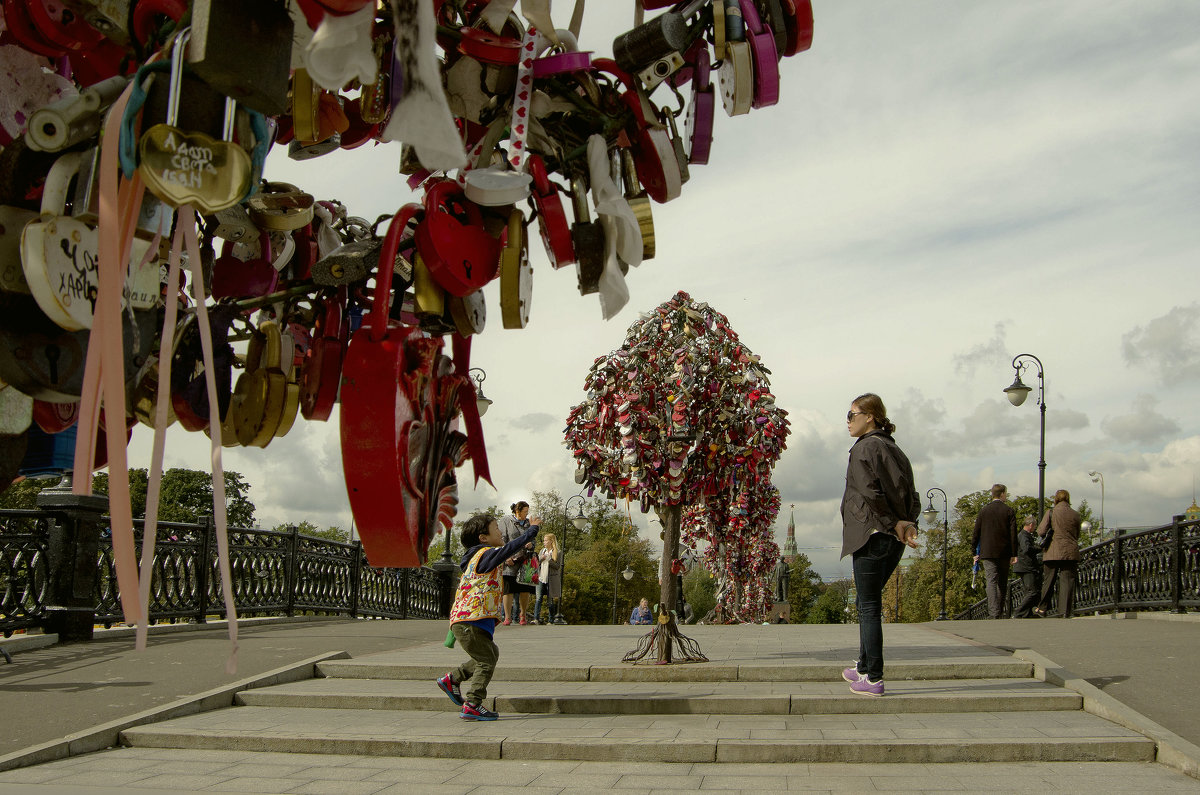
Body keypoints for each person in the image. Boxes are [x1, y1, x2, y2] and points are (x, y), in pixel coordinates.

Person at [839, 393, 920, 697]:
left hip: (872, 534)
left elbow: (870, 492)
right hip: (893, 539)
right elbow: (912, 493)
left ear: (869, 416)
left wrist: (891, 523)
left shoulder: (864, 448)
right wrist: (907, 523)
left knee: (869, 606)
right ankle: (862, 666)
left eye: (852, 415)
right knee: (865, 602)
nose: (848, 421)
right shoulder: (894, 449)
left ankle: (873, 677)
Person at [437, 512, 539, 720]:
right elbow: (509, 549)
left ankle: (453, 679)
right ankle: (473, 703)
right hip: (471, 621)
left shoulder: (475, 558)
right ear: (483, 537)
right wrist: (531, 531)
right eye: (496, 529)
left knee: (489, 654)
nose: (501, 532)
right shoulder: (485, 554)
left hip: (470, 620)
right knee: (485, 660)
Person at [972, 484, 1018, 619]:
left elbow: (976, 532)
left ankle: (993, 612)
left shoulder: (984, 511)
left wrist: (973, 550)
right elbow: (1013, 534)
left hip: (987, 552)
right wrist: (1014, 553)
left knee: (991, 581)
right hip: (1004, 552)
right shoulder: (1009, 511)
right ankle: (1000, 609)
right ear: (1003, 494)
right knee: (1002, 582)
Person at [1034, 489, 1082, 618]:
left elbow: (1041, 531)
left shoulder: (1051, 512)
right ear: (1068, 499)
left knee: (1049, 580)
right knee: (1067, 581)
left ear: (1056, 499)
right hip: (1070, 552)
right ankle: (1064, 611)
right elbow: (1077, 534)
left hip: (1052, 551)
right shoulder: (1075, 514)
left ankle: (1043, 608)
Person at [498, 501, 536, 625]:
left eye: (527, 512)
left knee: (524, 588)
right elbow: (502, 540)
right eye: (525, 512)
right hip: (510, 560)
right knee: (508, 589)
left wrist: (531, 545)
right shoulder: (506, 521)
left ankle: (523, 615)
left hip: (525, 560)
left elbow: (533, 539)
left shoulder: (528, 523)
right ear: (517, 511)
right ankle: (507, 617)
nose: (527, 514)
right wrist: (505, 557)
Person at [1012, 515, 1043, 618]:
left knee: (1028, 591)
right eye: (1034, 526)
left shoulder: (1021, 535)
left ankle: (1026, 613)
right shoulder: (1024, 536)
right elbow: (1026, 549)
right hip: (1027, 566)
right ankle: (1018, 612)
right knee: (1032, 591)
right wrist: (1038, 549)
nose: (1034, 528)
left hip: (1021, 566)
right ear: (1031, 525)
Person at [532, 532, 561, 624]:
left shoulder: (558, 552)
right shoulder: (542, 551)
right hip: (541, 577)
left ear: (551, 541)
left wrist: (549, 560)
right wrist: (541, 558)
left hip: (551, 578)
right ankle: (536, 618)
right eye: (544, 540)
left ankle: (551, 620)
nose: (544, 542)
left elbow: (557, 566)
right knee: (538, 598)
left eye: (545, 540)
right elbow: (536, 563)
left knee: (550, 600)